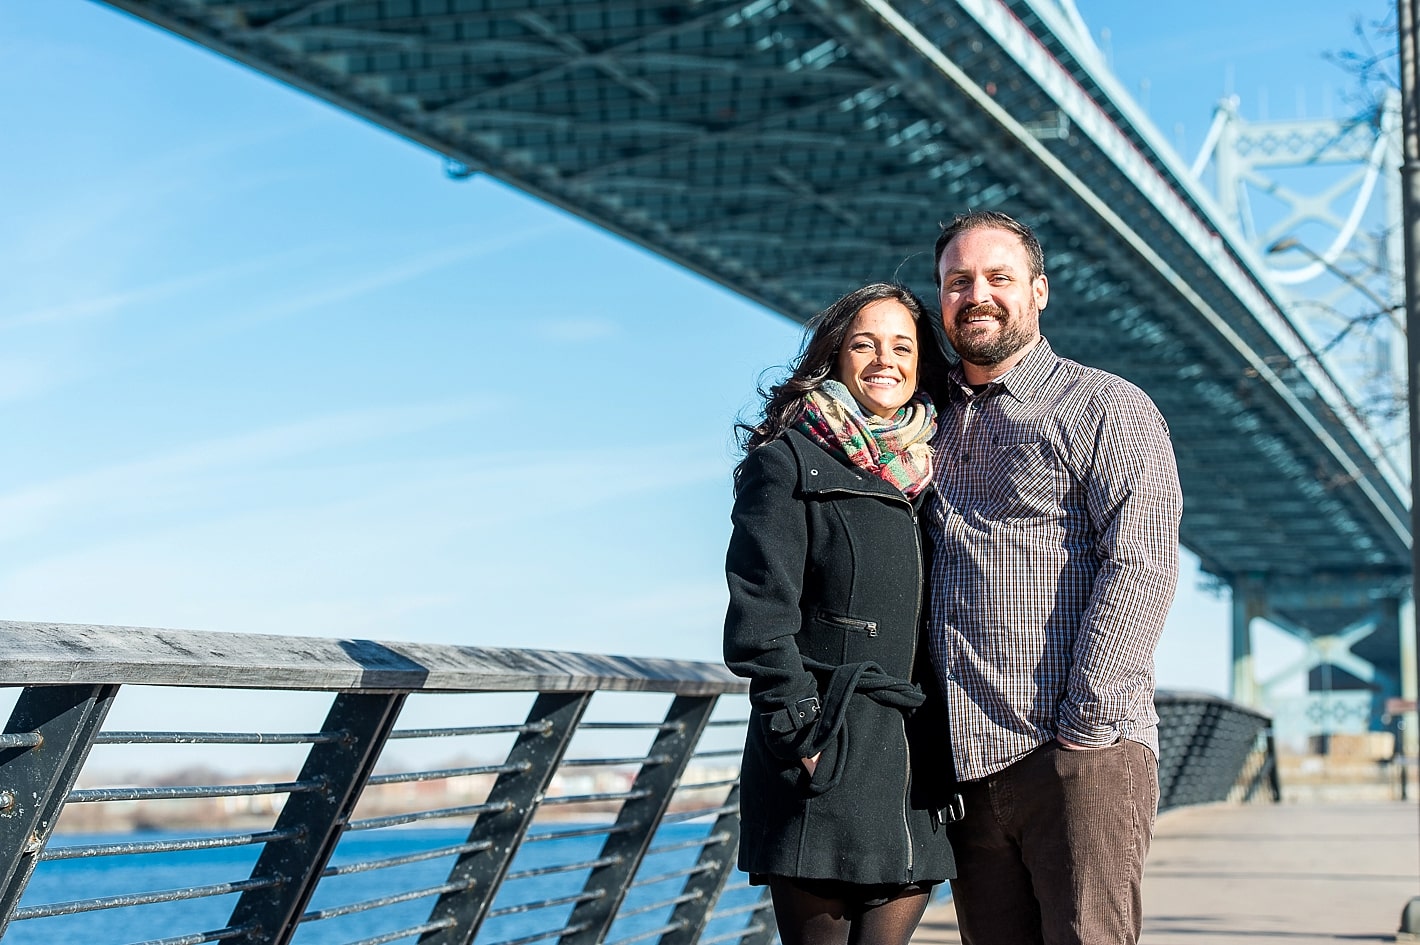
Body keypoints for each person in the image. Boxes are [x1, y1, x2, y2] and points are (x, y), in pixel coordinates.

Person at [924, 210, 1183, 945]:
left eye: (999, 277)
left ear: (1040, 291)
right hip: (967, 768)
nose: (977, 294)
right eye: (958, 281)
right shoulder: (926, 419)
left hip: (1077, 756)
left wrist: (1085, 729)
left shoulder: (1106, 406)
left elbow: (1142, 563)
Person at [723, 283, 958, 945]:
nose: (885, 359)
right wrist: (803, 735)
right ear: (835, 356)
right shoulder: (789, 463)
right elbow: (758, 617)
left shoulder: (936, 474)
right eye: (865, 343)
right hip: (824, 761)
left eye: (902, 345)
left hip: (916, 769)